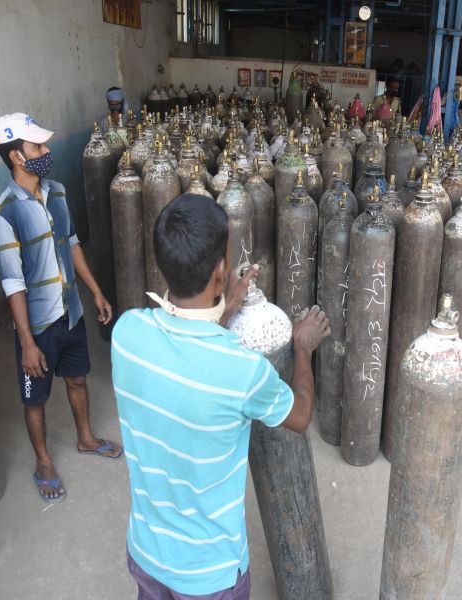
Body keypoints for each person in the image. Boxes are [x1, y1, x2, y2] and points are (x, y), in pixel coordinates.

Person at [111, 194, 330, 599]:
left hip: (147, 554)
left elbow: (183, 348)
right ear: (220, 271)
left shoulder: (126, 334)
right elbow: (299, 417)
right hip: (209, 576)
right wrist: (302, 349)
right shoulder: (242, 371)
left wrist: (223, 309)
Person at [0, 113, 121, 503]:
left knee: (77, 378)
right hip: (39, 324)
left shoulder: (58, 192)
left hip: (71, 311)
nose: (47, 152)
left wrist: (95, 291)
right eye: (37, 147)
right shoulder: (3, 214)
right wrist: (27, 343)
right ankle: (43, 461)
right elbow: (12, 284)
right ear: (16, 156)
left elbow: (73, 244)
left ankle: (85, 437)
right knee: (36, 398)